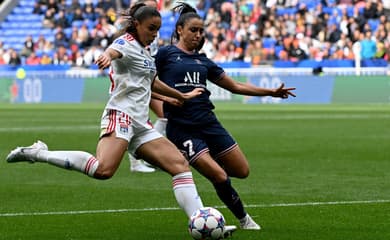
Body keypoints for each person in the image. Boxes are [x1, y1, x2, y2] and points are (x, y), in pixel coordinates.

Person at [6, 2, 205, 224]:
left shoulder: (147, 49)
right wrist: (107, 57)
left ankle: (201, 220)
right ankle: (38, 153)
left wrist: (178, 96)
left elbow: (151, 81)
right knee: (103, 170)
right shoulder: (125, 43)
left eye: (157, 29)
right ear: (136, 24)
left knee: (179, 165)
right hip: (120, 115)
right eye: (150, 28)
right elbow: (113, 50)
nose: (154, 34)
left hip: (140, 123)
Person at [155, 3, 296, 230]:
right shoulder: (165, 54)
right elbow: (144, 81)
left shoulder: (204, 61)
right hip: (183, 128)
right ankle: (244, 220)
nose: (198, 35)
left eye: (201, 31)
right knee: (219, 176)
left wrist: (270, 92)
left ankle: (204, 160)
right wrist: (167, 99)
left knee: (242, 171)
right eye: (193, 30)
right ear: (179, 29)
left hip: (209, 123)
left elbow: (235, 86)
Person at [115, 0, 166, 173]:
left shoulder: (151, 31)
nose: (154, 9)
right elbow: (117, 52)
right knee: (162, 116)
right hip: (137, 83)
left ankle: (144, 157)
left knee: (152, 118)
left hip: (146, 79)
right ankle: (143, 158)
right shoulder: (130, 38)